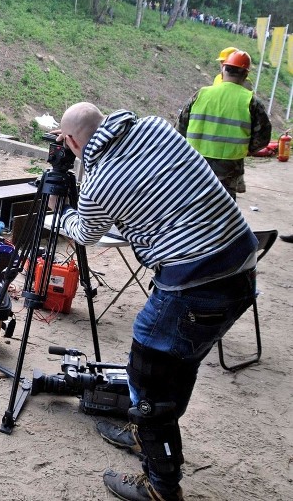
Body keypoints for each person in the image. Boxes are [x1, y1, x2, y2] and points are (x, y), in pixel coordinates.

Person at [52, 102, 258, 501]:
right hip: (241, 260)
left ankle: (161, 486)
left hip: (197, 280)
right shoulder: (153, 127)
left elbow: (84, 232)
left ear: (73, 141)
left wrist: (61, 213)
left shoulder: (98, 184)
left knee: (149, 369)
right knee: (178, 359)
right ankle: (143, 431)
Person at [177, 50, 270, 200]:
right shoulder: (251, 101)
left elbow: (180, 129)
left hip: (195, 163)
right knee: (223, 208)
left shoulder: (201, 94)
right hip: (229, 167)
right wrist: (248, 149)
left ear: (223, 70)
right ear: (246, 75)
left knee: (191, 204)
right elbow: (263, 138)